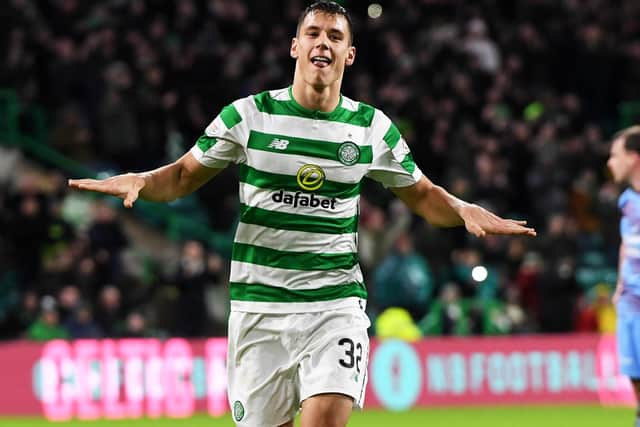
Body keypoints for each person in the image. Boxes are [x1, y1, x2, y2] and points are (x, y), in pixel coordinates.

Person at [68, 2, 536, 426]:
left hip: (333, 304)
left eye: (335, 37)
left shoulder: (372, 129)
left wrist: (461, 209)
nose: (323, 43)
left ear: (348, 55)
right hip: (259, 307)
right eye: (314, 33)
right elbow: (183, 177)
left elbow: (423, 196)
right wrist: (143, 182)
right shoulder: (247, 117)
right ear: (296, 46)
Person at [607, 125, 640, 427]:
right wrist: (620, 286)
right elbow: (626, 243)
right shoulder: (627, 201)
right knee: (634, 376)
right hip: (631, 303)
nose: (609, 162)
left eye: (615, 155)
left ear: (634, 158)